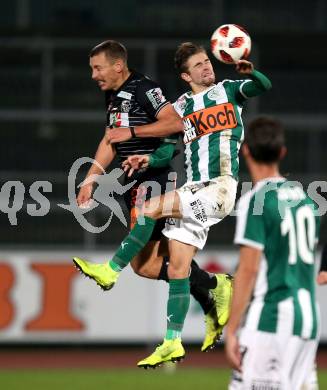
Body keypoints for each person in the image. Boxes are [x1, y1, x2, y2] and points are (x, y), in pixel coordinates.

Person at [75, 41, 271, 368]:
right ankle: (172, 341)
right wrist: (147, 156)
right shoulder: (181, 107)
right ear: (185, 74)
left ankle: (110, 272)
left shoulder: (230, 90)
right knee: (178, 269)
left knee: (151, 210)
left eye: (207, 62)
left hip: (219, 187)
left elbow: (262, 86)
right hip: (195, 188)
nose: (207, 68)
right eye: (199, 65)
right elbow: (168, 149)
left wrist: (251, 69)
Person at [225, 116, 320, 390]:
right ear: (282, 153)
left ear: (245, 151)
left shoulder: (255, 201)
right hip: (308, 318)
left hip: (272, 316)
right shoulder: (304, 199)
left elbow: (249, 269)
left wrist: (231, 331)